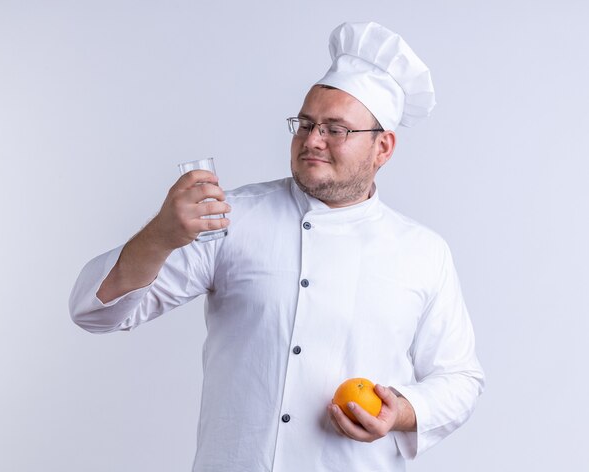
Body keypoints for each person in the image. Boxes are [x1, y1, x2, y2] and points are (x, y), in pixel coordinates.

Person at [69, 21, 484, 472]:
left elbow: (461, 379)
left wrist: (401, 410)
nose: (311, 141)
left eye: (335, 129)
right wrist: (160, 236)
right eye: (305, 123)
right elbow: (96, 312)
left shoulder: (423, 251)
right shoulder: (231, 217)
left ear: (382, 147)